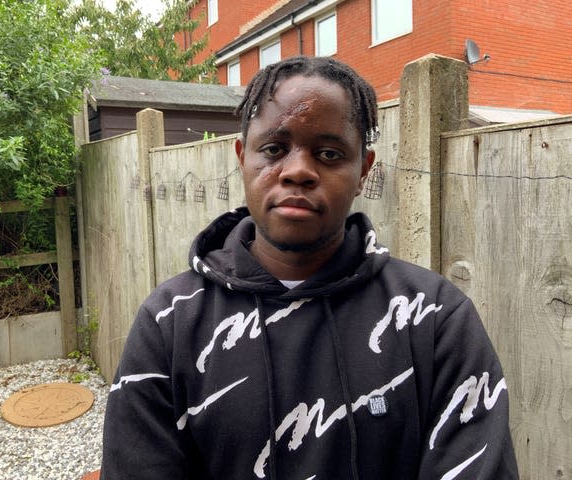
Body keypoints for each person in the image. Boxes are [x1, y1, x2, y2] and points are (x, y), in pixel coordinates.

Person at [100, 56, 518, 479]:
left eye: (329, 153)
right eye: (274, 149)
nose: (298, 170)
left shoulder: (435, 319)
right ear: (243, 159)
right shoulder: (169, 322)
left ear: (363, 171)